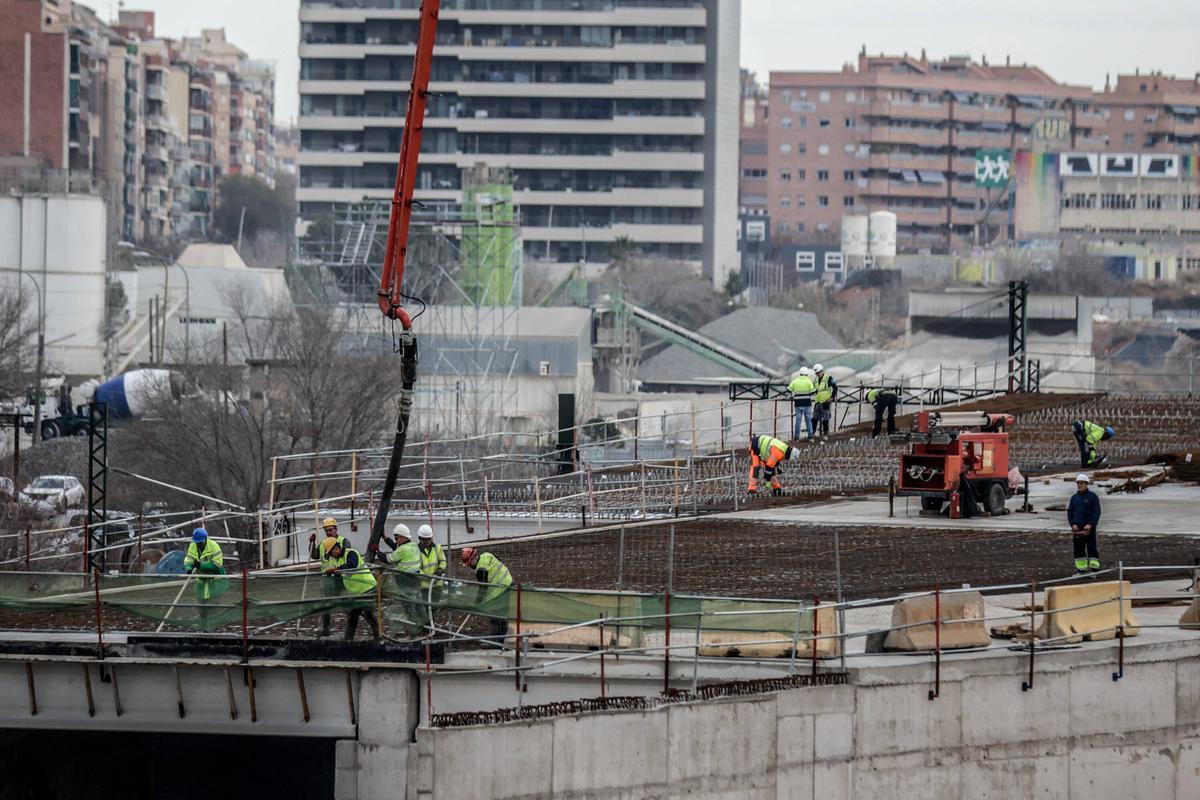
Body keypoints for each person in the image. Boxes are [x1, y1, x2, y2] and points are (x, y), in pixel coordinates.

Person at [321, 536, 380, 641]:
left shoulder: (351, 553)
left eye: (331, 553)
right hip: (358, 593)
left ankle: (349, 641)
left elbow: (351, 566)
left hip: (368, 589)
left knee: (355, 615)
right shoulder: (338, 561)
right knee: (363, 615)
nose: (331, 555)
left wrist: (335, 570)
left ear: (336, 548)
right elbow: (340, 579)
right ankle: (377, 638)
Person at [461, 547, 513, 640]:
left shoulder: (480, 570)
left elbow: (482, 589)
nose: (470, 566)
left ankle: (497, 641)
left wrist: (477, 603)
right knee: (502, 616)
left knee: (496, 617)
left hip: (499, 590)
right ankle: (501, 639)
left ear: (474, 558)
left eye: (469, 563)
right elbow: (499, 561)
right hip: (509, 582)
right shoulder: (487, 555)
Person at [309, 518, 348, 637]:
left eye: (330, 530)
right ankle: (325, 628)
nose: (328, 532)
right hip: (326, 580)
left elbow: (347, 556)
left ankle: (350, 625)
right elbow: (314, 555)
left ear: (336, 529)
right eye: (326, 530)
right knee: (326, 605)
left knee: (346, 603)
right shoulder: (323, 543)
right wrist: (312, 543)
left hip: (339, 579)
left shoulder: (344, 541)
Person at [184, 528, 227, 626]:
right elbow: (188, 559)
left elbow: (217, 566)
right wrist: (189, 568)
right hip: (201, 583)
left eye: (200, 542)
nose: (199, 544)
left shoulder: (214, 547)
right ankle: (204, 626)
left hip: (216, 582)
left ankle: (211, 627)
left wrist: (201, 566)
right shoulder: (193, 545)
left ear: (206, 539)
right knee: (201, 607)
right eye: (197, 542)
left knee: (211, 607)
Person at [1067, 473, 1102, 576]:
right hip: (1077, 529)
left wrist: (1090, 524)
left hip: (1089, 529)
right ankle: (1081, 570)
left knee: (1091, 549)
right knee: (1078, 550)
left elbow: (1096, 512)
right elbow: (1070, 512)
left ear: (1086, 484)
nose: (1079, 485)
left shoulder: (1093, 497)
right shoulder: (1074, 498)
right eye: (1078, 483)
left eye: (1081, 483)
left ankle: (1094, 571)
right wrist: (1072, 524)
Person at [787, 368, 816, 441]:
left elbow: (789, 389)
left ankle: (796, 437)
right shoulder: (808, 381)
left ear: (800, 374)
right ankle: (811, 437)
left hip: (798, 403)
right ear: (807, 374)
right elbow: (813, 391)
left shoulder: (795, 381)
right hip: (807, 403)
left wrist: (793, 393)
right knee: (809, 420)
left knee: (798, 421)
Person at [812, 364, 837, 438]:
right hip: (818, 401)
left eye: (818, 373)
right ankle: (812, 433)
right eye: (816, 373)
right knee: (814, 418)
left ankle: (825, 433)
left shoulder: (828, 378)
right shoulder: (816, 379)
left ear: (822, 371)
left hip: (826, 401)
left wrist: (832, 397)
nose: (817, 374)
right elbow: (815, 390)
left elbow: (835, 387)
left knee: (825, 418)